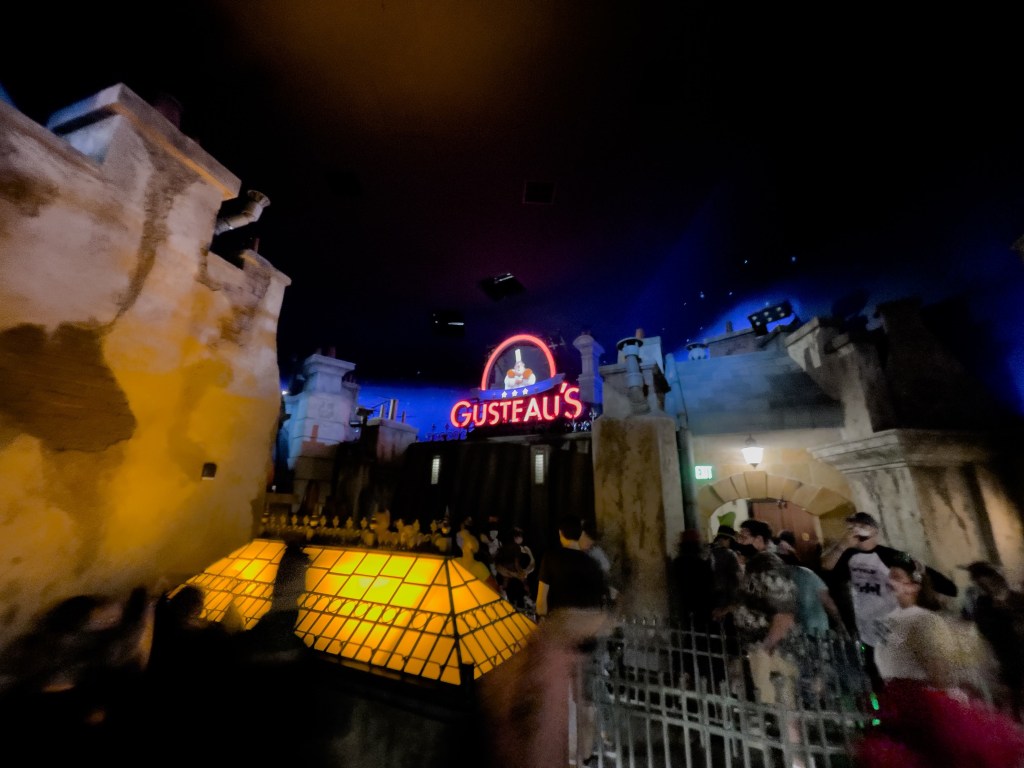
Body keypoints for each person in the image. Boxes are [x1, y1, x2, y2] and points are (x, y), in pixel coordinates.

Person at [856, 554, 1024, 767]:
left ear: (913, 586)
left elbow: (938, 673)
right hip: (901, 707)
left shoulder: (923, 621)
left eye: (896, 577)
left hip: (921, 708)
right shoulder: (887, 624)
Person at [821, 510, 957, 692]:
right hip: (867, 631)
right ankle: (882, 707)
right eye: (852, 526)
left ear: (874, 530)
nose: (856, 530)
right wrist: (843, 544)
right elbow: (826, 566)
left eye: (862, 526)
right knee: (876, 680)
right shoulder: (849, 556)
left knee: (901, 678)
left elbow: (926, 574)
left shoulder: (890, 556)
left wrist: (933, 587)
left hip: (893, 629)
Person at [536, 514, 611, 767]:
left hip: (559, 636)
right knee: (585, 699)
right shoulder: (592, 564)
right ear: (579, 535)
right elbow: (602, 602)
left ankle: (562, 753)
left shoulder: (550, 558)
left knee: (559, 696)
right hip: (586, 638)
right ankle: (585, 755)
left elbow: (541, 602)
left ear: (560, 534)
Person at [962, 560, 1024, 722]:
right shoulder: (983, 602)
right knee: (1014, 681)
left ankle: (1016, 713)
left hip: (1013, 644)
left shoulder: (1009, 595)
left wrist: (1009, 611)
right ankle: (1016, 714)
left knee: (1014, 681)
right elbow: (983, 625)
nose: (981, 583)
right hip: (1006, 647)